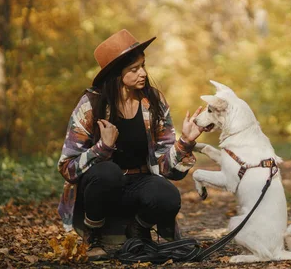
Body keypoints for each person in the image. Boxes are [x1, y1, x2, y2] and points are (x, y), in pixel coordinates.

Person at [56, 29, 203, 260]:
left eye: (143, 65)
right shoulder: (90, 104)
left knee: (168, 195)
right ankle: (93, 235)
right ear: (116, 74)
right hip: (98, 189)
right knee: (108, 172)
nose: (143, 73)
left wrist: (185, 142)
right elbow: (67, 168)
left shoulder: (153, 101)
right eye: (134, 69)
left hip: (138, 183)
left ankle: (138, 229)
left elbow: (167, 169)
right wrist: (101, 149)